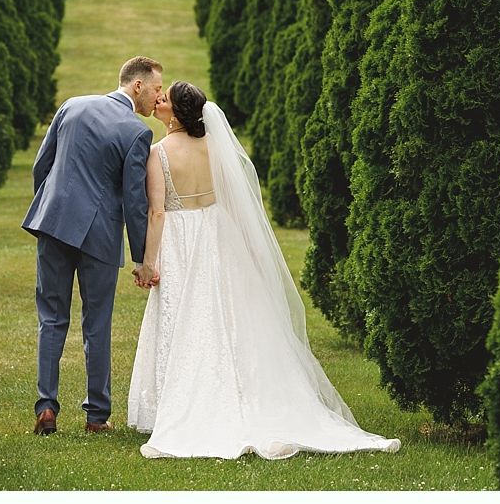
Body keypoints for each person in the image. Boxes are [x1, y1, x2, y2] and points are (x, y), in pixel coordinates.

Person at [127, 81, 402, 459]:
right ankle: (242, 391)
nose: (158, 101)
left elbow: (157, 212)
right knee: (232, 316)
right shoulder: (214, 147)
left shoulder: (157, 154)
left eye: (164, 99)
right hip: (218, 232)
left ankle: (189, 400)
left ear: (175, 114)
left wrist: (148, 261)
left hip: (180, 238)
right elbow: (234, 200)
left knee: (185, 316)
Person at [23, 56, 163, 435]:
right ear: (137, 86)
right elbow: (135, 201)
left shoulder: (72, 105)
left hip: (53, 226)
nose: (158, 96)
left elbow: (42, 166)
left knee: (51, 318)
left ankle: (46, 406)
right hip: (98, 236)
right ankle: (97, 415)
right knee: (96, 325)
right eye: (155, 89)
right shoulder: (136, 132)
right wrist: (141, 258)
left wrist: (50, 211)